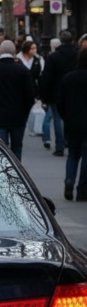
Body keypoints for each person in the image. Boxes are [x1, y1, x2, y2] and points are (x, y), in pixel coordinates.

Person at [0, 40, 36, 161]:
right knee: (17, 147)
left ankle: (3, 174)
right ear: (14, 52)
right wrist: (25, 111)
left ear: (0, 51)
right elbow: (30, 95)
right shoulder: (22, 71)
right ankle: (17, 175)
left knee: (1, 149)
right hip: (18, 115)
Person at [41, 31, 80, 156]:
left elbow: (48, 77)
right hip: (76, 90)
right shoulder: (77, 54)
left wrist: (45, 96)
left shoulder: (54, 56)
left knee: (58, 119)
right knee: (74, 117)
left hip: (57, 92)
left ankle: (60, 146)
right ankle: (72, 142)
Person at [56, 49, 87, 201]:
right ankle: (82, 189)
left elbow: (60, 102)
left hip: (72, 122)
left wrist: (66, 116)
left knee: (73, 155)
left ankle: (69, 180)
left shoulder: (68, 78)